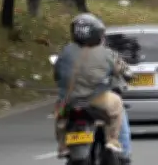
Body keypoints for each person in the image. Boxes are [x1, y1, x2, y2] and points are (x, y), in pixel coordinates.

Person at [54, 13, 129, 161]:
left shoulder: (66, 52)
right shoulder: (105, 53)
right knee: (117, 106)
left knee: (60, 115)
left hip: (68, 100)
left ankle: (63, 145)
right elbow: (120, 69)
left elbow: (57, 74)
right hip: (96, 99)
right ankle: (113, 140)